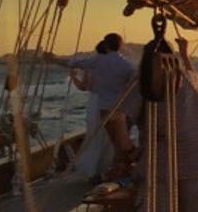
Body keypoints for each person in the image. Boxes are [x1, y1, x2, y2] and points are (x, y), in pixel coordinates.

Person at [123, 37, 198, 212]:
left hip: (158, 168)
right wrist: (184, 54)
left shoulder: (142, 83)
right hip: (195, 164)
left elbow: (117, 119)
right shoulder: (191, 78)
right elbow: (197, 81)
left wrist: (126, 153)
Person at [44, 33, 136, 167]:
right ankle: (120, 168)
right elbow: (135, 83)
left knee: (115, 142)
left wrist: (54, 60)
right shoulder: (127, 65)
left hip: (106, 108)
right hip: (122, 109)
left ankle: (118, 169)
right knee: (120, 143)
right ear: (120, 46)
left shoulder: (98, 61)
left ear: (106, 45)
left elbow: (73, 63)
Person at [71, 69, 114, 183]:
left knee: (95, 136)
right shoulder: (122, 63)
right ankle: (108, 168)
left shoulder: (93, 64)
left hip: (96, 103)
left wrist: (73, 77)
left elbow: (84, 86)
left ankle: (95, 170)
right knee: (109, 136)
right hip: (113, 101)